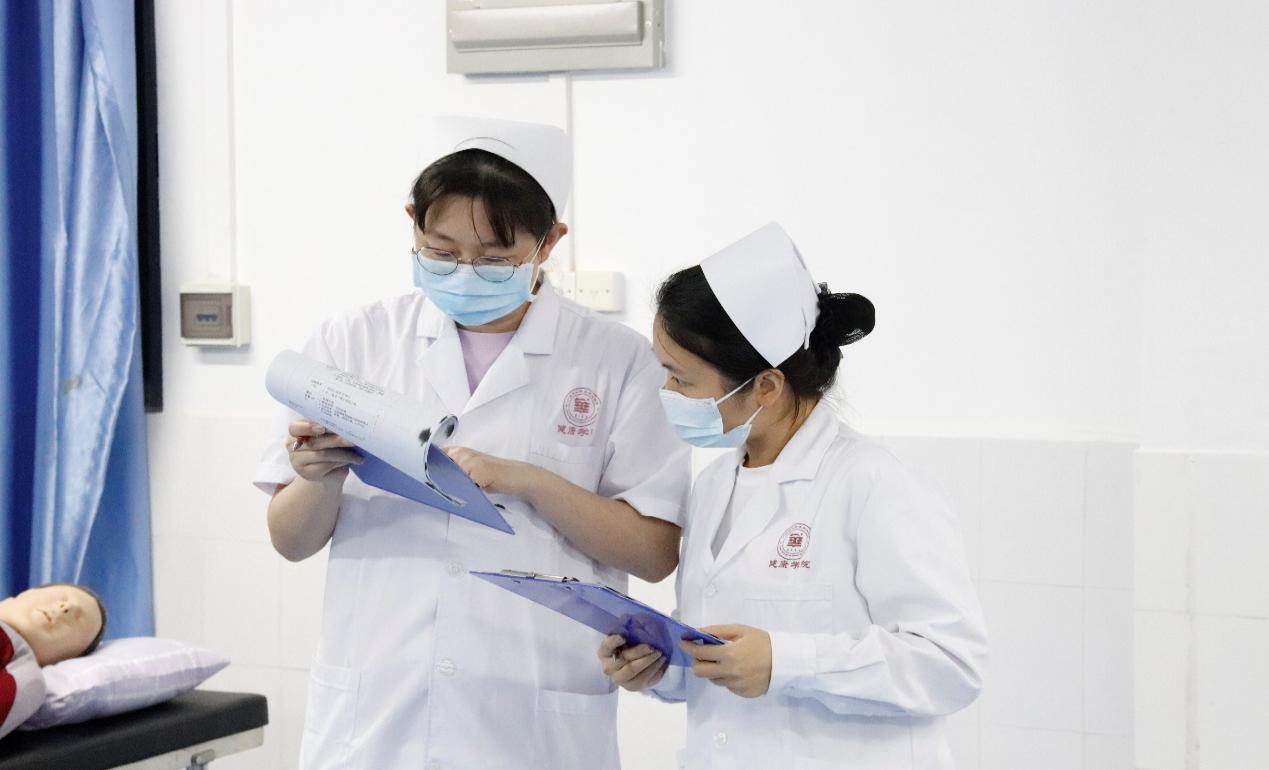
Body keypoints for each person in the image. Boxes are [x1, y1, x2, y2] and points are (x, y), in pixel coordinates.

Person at [255, 117, 689, 769]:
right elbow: (290, 541)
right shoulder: (353, 341)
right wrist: (319, 475)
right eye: (441, 251)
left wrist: (528, 480)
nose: (464, 272)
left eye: (493, 259)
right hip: (377, 715)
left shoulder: (616, 360)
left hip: (531, 725)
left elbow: (653, 554)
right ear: (412, 225)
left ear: (549, 242)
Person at [598, 223, 988, 769]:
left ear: (766, 386)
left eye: (681, 380)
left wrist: (787, 662)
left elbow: (951, 663)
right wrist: (660, 667)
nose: (666, 394)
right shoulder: (716, 484)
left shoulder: (875, 484)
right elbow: (726, 655)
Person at [0, 583, 107, 739]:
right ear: (26, 593)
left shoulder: (26, 678)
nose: (67, 607)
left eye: (79, 621)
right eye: (63, 597)